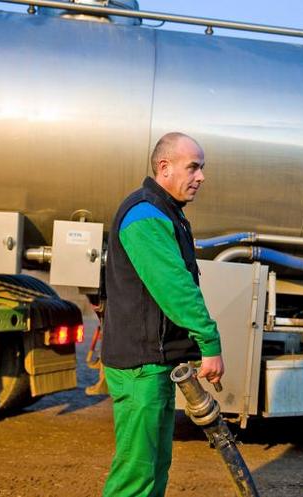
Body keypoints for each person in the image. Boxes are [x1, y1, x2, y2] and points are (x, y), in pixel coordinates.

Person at [101, 132, 225, 497]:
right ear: (164, 167)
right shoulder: (146, 215)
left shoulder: (165, 212)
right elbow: (176, 289)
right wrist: (209, 342)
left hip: (153, 362)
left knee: (155, 468)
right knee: (136, 476)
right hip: (140, 366)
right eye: (194, 167)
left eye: (202, 167)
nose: (200, 176)